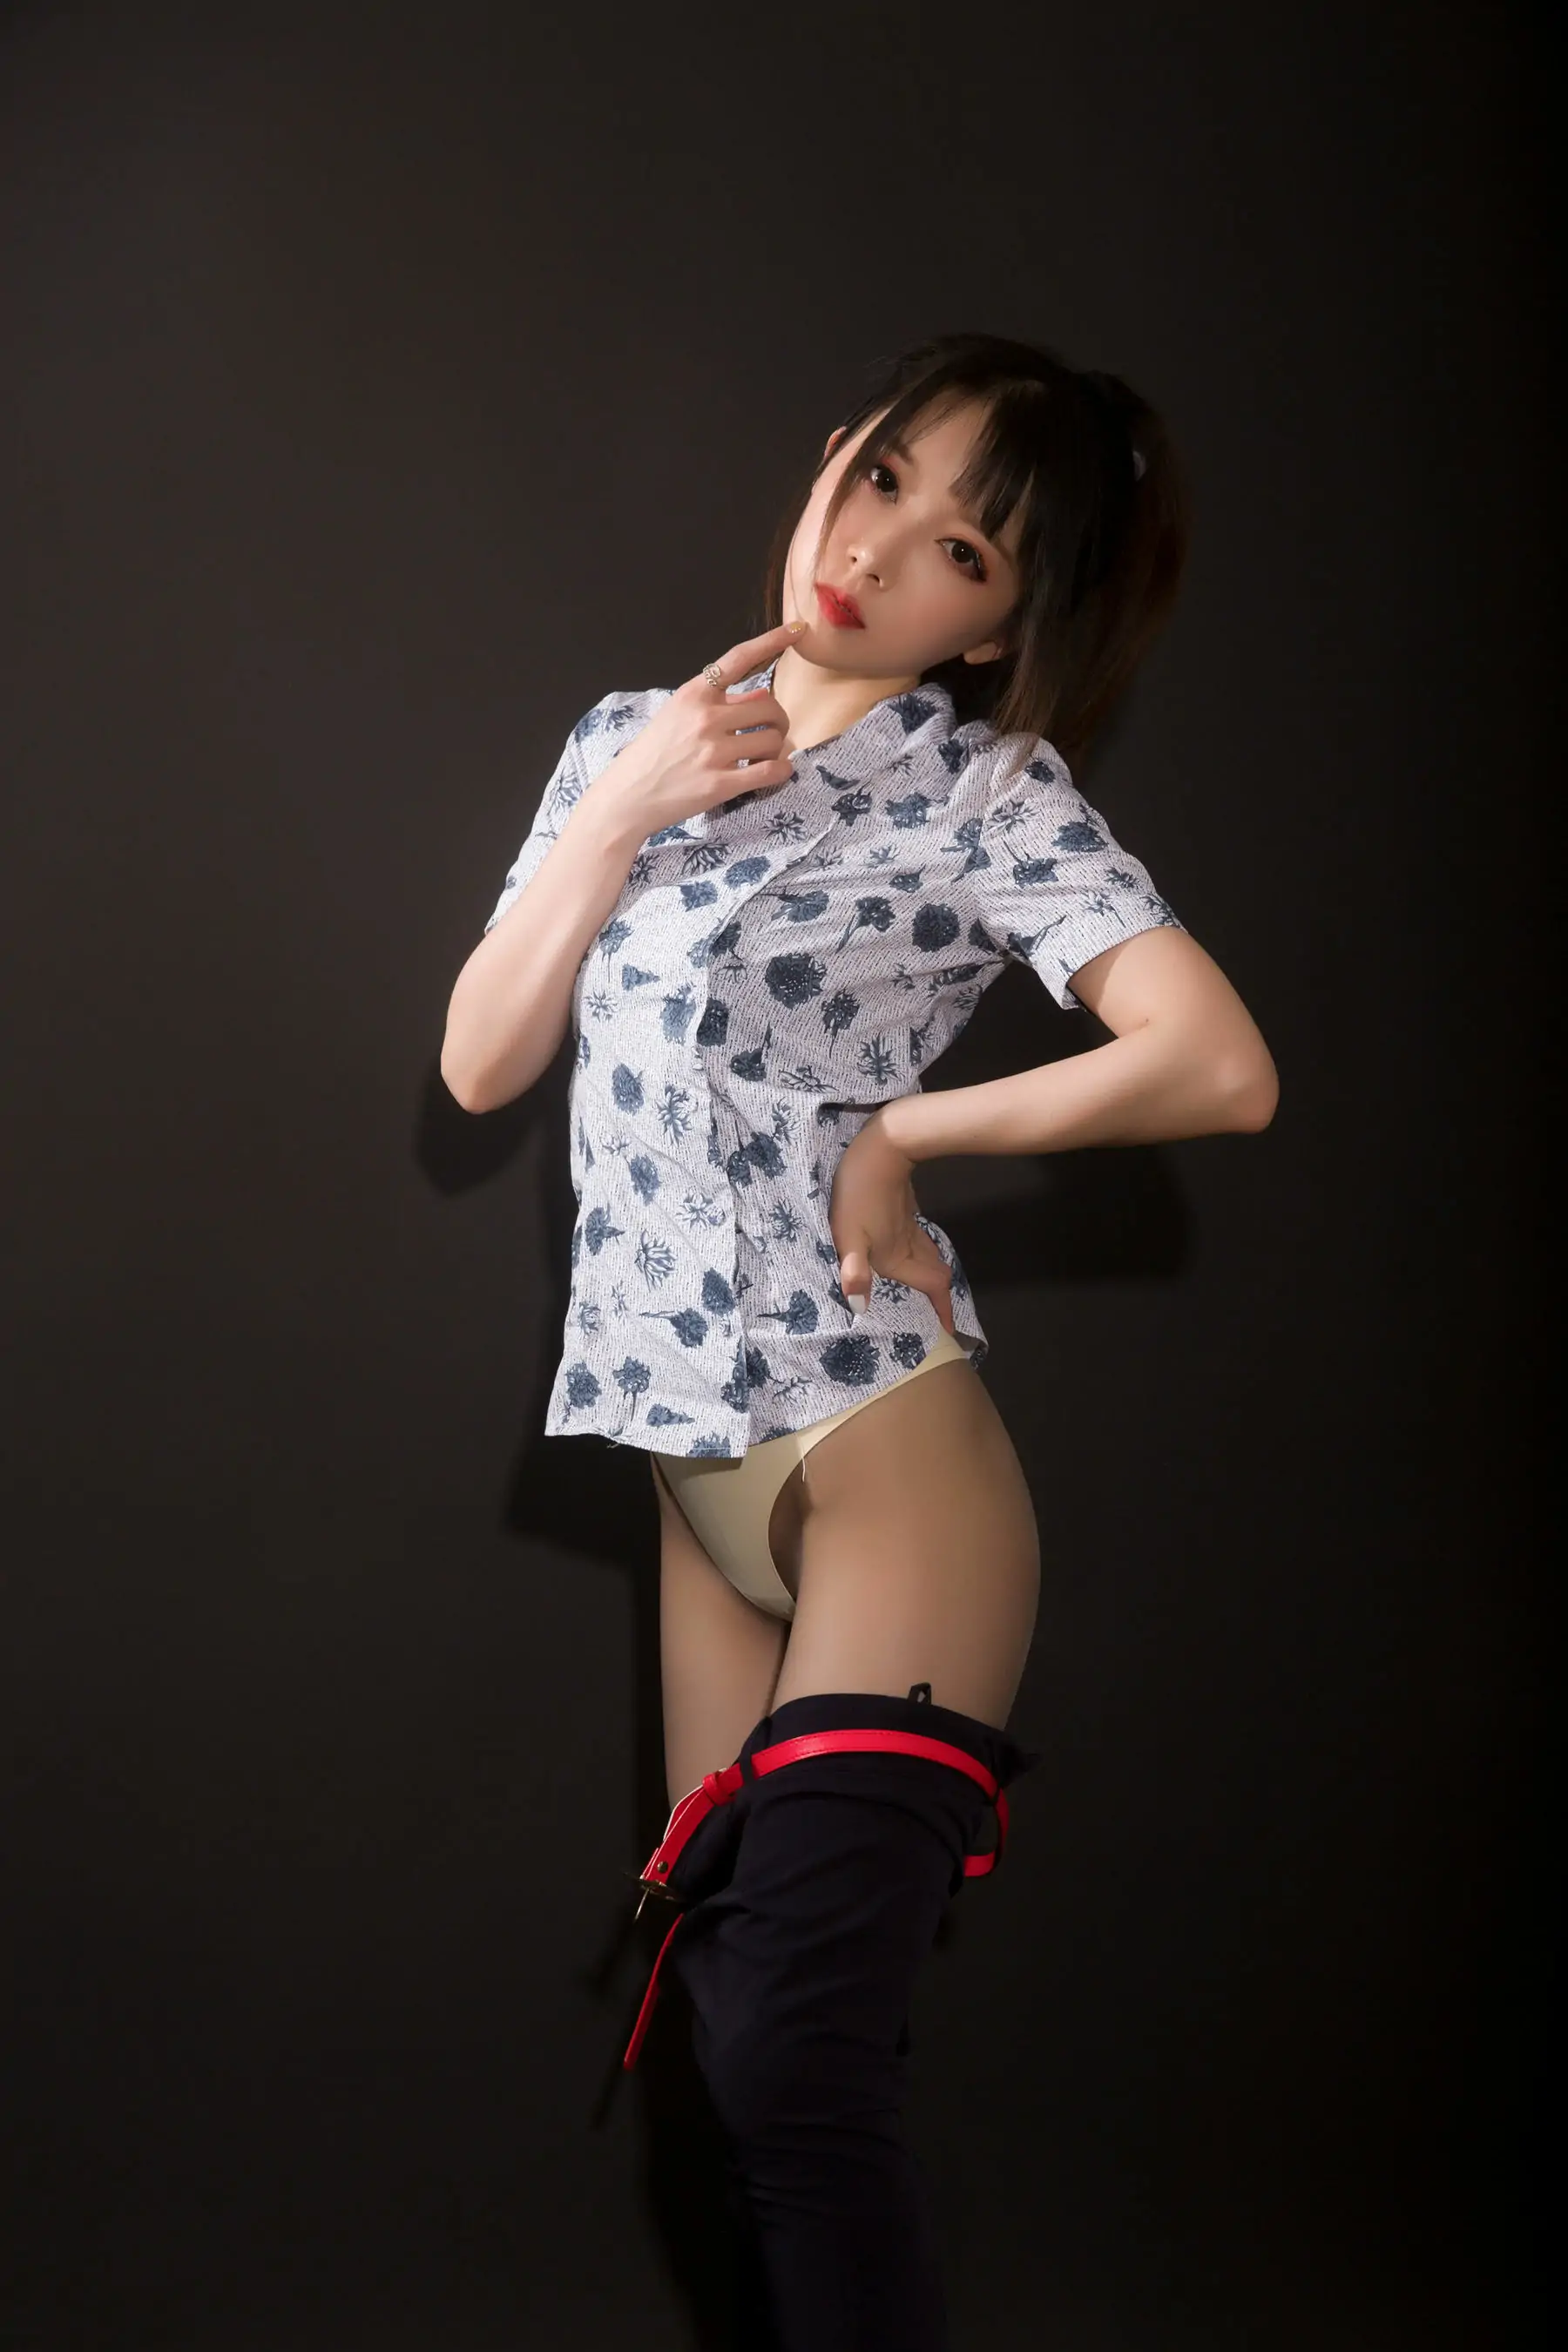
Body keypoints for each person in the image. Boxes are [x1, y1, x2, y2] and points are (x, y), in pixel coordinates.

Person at [440, 330, 1278, 2350]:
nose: (883, 548)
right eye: (888, 476)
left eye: (965, 550)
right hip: (691, 1477)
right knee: (740, 2054)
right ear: (835, 455)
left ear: (992, 630)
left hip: (877, 1455)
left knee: (794, 2060)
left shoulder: (988, 794)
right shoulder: (626, 737)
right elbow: (479, 1062)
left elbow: (1219, 1065)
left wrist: (910, 1131)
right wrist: (626, 806)